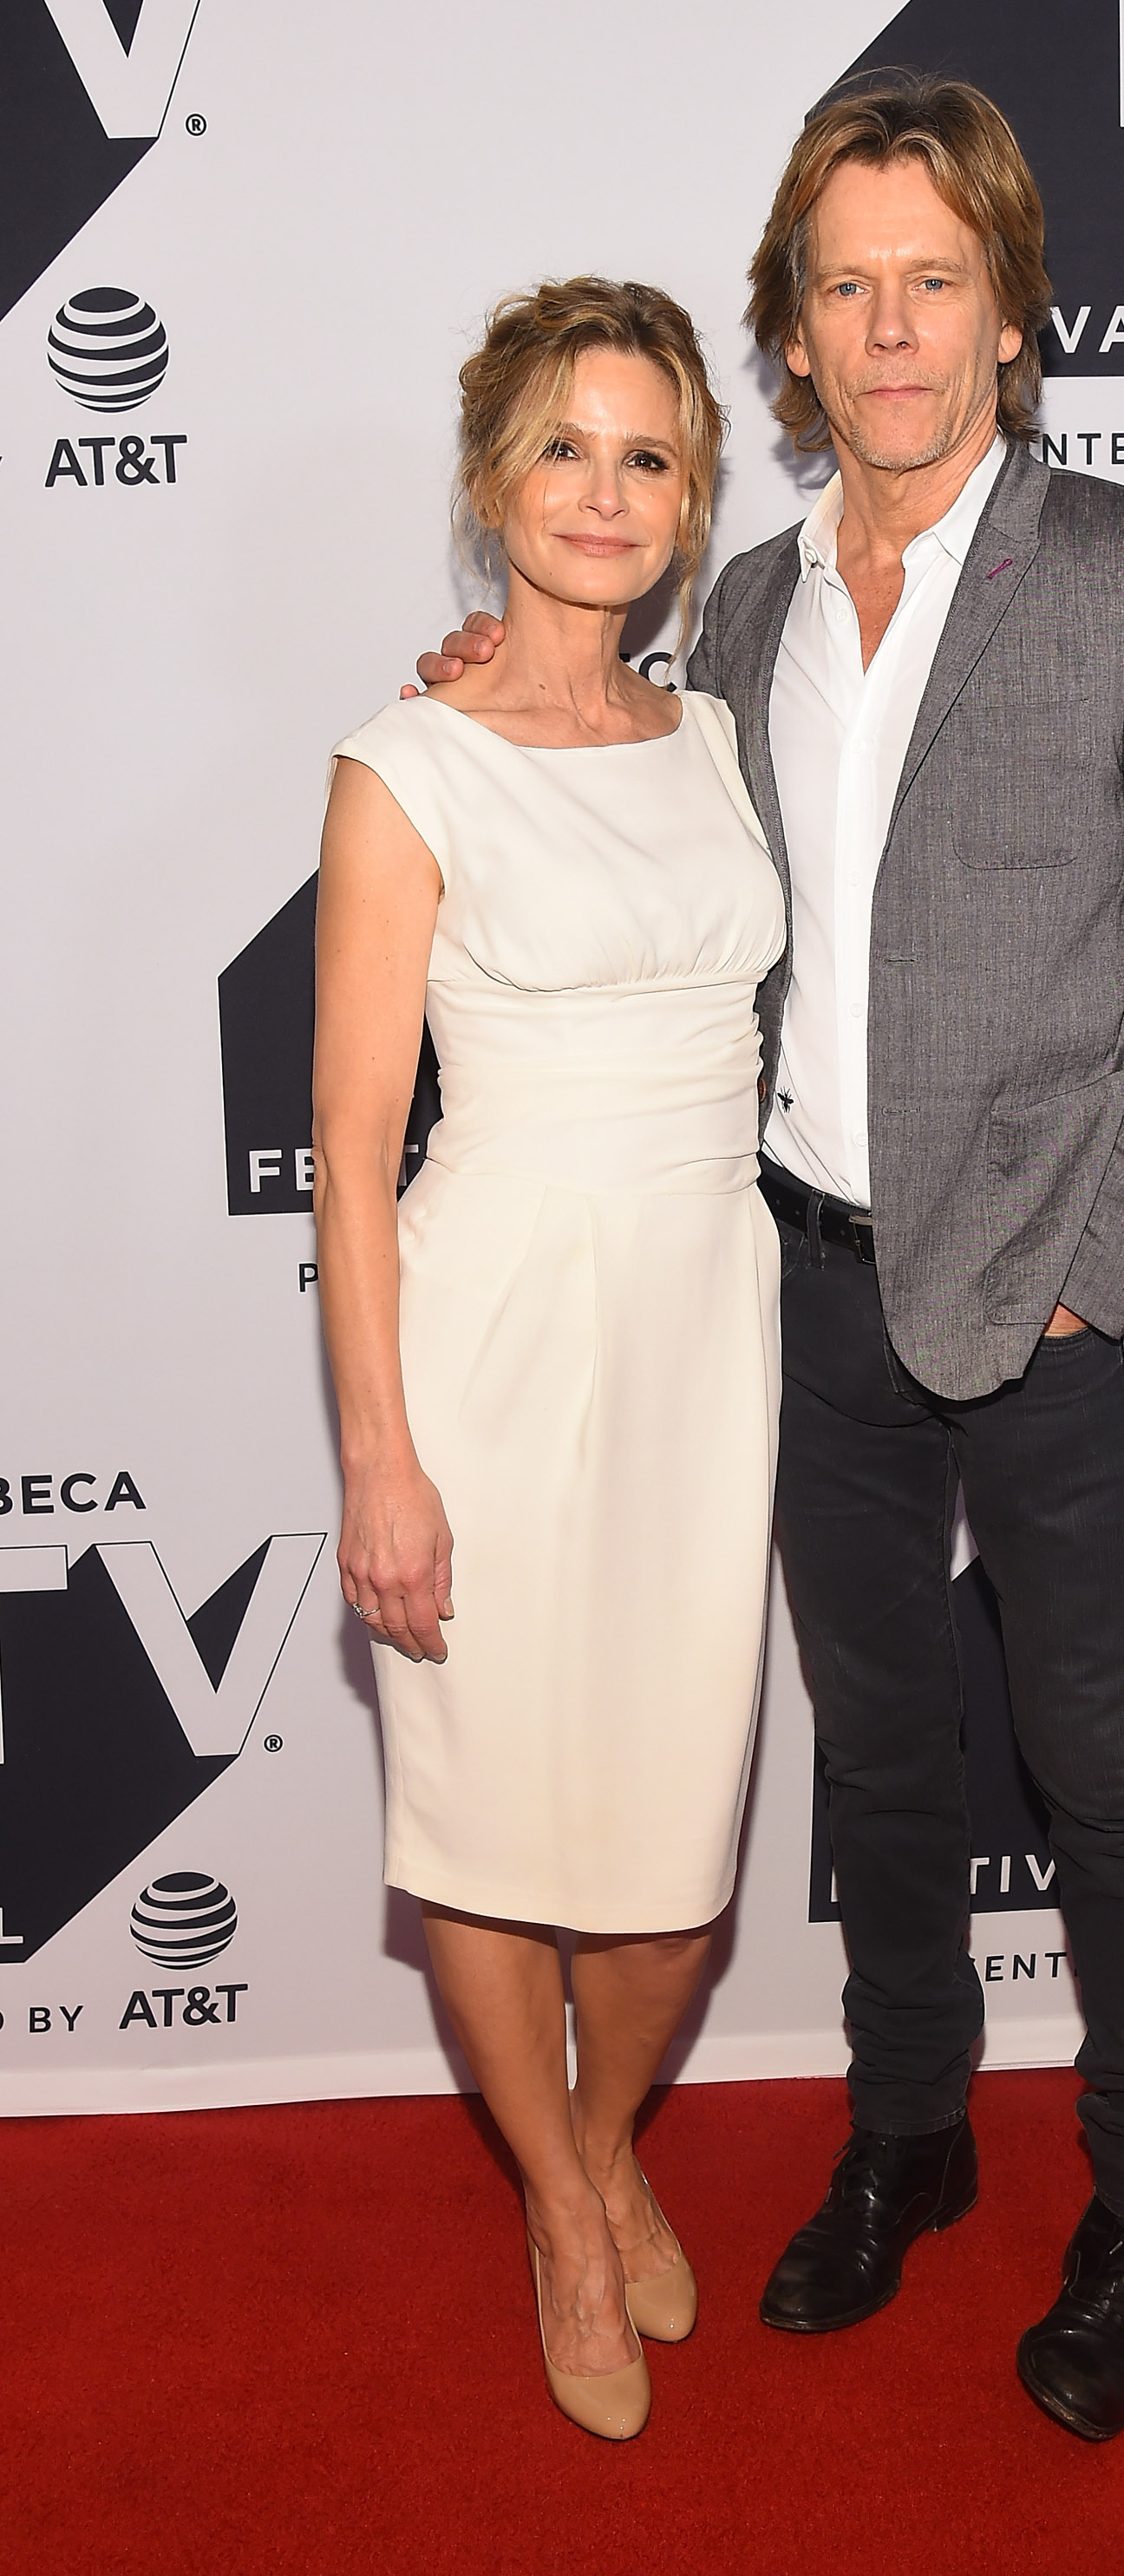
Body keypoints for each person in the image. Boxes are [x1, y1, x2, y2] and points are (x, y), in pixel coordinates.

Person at [419, 75, 1124, 2442]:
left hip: (1040, 1314)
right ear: (787, 342)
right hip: (790, 1290)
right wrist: (476, 696)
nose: (889, 328)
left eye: (933, 280)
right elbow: (604, 807)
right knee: (882, 1766)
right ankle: (906, 2136)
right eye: (844, 286)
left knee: (1099, 1769)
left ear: (1010, 314)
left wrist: (1088, 1277)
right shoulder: (732, 602)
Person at [314, 278, 785, 2440]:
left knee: (674, 1846)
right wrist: (380, 1460)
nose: (605, 494)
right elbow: (345, 1150)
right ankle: (571, 2219)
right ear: (495, 479)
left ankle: (592, 2157)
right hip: (494, 1320)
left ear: (693, 495)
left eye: (651, 454)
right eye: (567, 449)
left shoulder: (721, 728)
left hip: (706, 1323)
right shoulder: (406, 763)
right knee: (495, 1820)